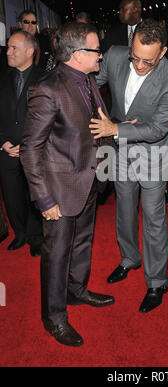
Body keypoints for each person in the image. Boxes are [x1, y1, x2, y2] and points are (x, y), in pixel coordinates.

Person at [20, 22, 115, 347]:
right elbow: (31, 149)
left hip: (89, 181)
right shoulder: (48, 88)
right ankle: (54, 317)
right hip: (59, 188)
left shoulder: (86, 78)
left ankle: (76, 291)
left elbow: (95, 125)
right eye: (96, 50)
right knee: (57, 253)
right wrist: (44, 200)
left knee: (83, 243)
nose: (101, 54)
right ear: (78, 54)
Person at [92, 19, 168, 313]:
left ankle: (157, 281)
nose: (139, 65)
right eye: (136, 57)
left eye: (148, 61)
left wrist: (115, 130)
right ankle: (129, 258)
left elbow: (158, 128)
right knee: (124, 206)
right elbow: (89, 84)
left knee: (154, 218)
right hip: (120, 151)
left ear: (163, 52)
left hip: (153, 153)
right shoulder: (117, 55)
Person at [0, 30, 44, 257]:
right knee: (12, 196)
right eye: (8, 47)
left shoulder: (44, 79)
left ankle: (37, 238)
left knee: (33, 194)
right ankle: (20, 234)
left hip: (33, 151)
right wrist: (3, 142)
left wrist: (28, 145)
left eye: (14, 48)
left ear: (30, 51)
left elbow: (47, 119)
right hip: (6, 149)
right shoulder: (2, 77)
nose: (8, 52)